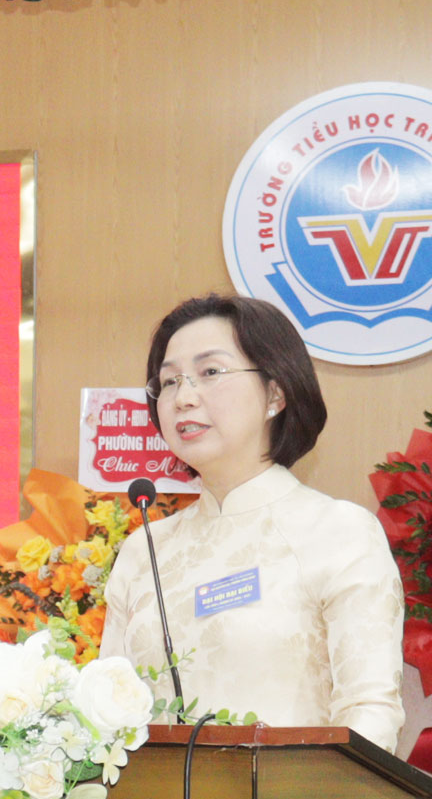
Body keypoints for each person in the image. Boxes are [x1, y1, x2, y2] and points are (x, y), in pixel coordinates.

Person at [98, 293, 405, 744]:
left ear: (275, 394)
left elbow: (370, 712)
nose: (184, 397)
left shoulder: (338, 531)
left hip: (296, 791)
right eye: (169, 381)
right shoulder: (144, 549)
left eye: (210, 372)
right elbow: (105, 719)